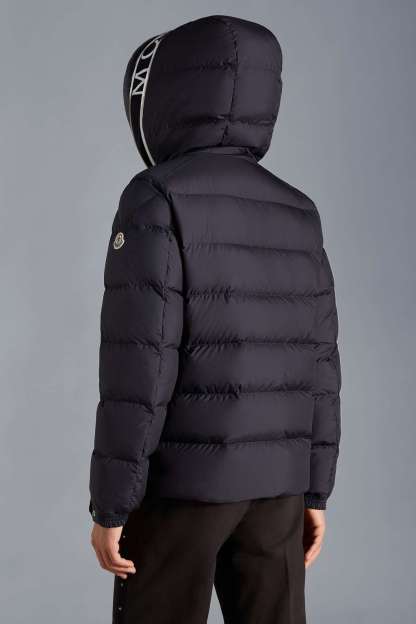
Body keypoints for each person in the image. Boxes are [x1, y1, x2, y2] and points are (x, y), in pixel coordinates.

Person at [89, 14, 341, 624]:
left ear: (169, 94)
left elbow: (140, 366)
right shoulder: (299, 210)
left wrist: (111, 505)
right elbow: (321, 365)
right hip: (277, 492)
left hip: (184, 490)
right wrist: (315, 489)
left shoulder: (156, 196)